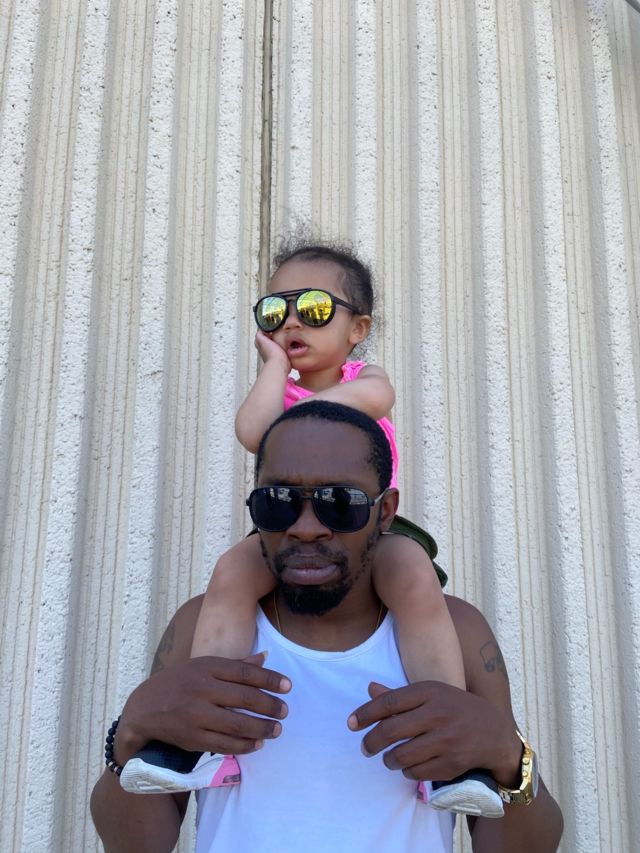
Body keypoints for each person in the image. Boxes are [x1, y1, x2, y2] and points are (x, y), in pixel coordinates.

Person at [119, 241, 499, 816]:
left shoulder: (364, 376)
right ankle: (203, 737)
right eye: (276, 310)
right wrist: (274, 367)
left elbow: (367, 401)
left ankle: (443, 746)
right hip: (289, 521)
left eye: (315, 309)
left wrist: (293, 414)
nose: (293, 322)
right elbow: (253, 431)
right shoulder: (278, 389)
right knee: (232, 572)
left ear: (357, 328)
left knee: (414, 575)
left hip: (366, 526)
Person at [91, 401, 563, 853]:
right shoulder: (202, 626)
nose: (306, 527)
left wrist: (509, 758)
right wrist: (129, 736)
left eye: (340, 502)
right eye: (279, 501)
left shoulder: (456, 632)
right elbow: (134, 846)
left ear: (385, 511)